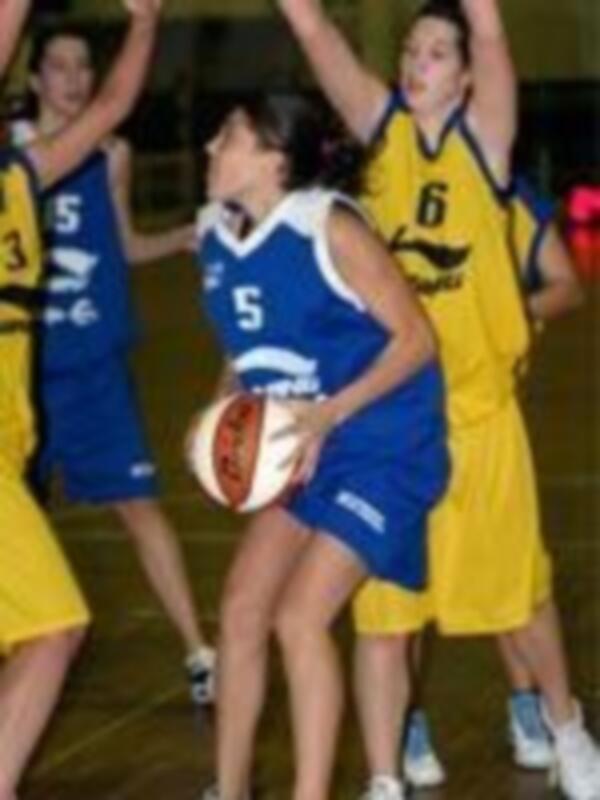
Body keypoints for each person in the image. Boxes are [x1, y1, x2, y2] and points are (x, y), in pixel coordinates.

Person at [276, 1, 600, 799]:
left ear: (463, 77)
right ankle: (386, 778)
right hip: (390, 419)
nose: (418, 61)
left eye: (436, 52)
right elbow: (317, 35)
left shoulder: (483, 143)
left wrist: (479, 27)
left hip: (480, 415)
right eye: (412, 49)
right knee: (383, 620)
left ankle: (567, 727)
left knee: (518, 598)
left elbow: (491, 31)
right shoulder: (380, 132)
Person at [194, 93, 449, 800]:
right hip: (304, 445)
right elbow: (244, 351)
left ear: (274, 158)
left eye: (229, 134)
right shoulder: (215, 233)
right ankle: (229, 787)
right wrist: (224, 408)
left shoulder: (329, 227)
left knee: (299, 619)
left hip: (382, 442)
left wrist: (327, 414)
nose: (209, 146)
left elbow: (418, 340)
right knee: (241, 608)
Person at [9, 24, 215, 706]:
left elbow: (124, 248)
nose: (72, 78)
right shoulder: (16, 158)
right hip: (25, 371)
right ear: (32, 80)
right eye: (58, 67)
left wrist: (181, 237)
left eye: (82, 66)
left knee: (139, 505)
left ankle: (196, 649)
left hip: (94, 367)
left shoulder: (112, 155)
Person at [0, 1, 160, 797]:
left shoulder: (24, 177)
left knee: (43, 631)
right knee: (55, 625)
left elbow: (111, 108)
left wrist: (145, 20)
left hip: (9, 445)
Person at [400, 177, 584, 789]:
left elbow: (565, 285)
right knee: (403, 591)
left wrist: (507, 310)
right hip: (400, 418)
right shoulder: (385, 184)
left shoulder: (507, 197)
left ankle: (531, 709)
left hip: (485, 416)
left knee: (511, 576)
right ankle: (406, 720)